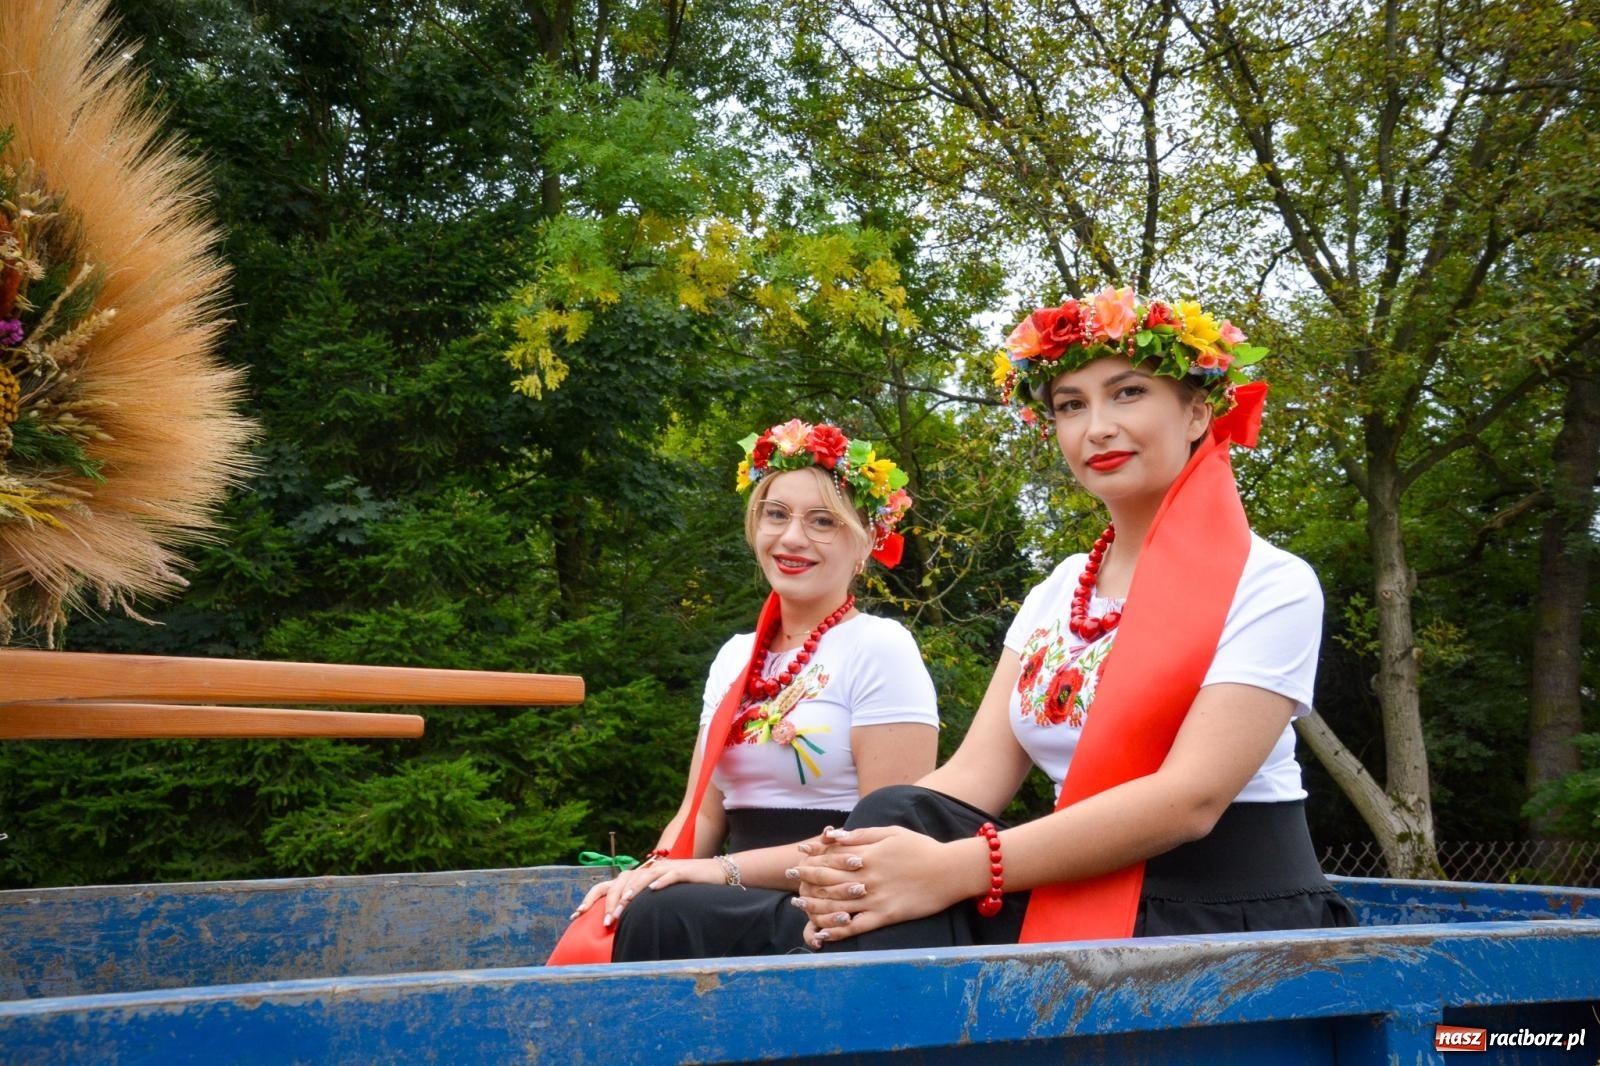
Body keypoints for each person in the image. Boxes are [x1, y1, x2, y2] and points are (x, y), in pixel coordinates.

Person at [791, 287, 1355, 950]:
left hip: (1213, 912)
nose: (1097, 428)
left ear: (1198, 412)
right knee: (895, 815)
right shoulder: (1057, 592)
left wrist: (954, 869)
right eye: (1070, 405)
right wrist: (852, 855)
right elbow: (973, 780)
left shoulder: (1270, 582)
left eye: (1128, 393)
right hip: (1073, 880)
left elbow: (1190, 800)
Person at [564, 418, 940, 962]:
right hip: (733, 894)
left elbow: (880, 836)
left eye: (822, 521)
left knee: (662, 914)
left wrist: (718, 872)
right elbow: (705, 814)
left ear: (864, 542)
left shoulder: (880, 647)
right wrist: (645, 875)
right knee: (621, 911)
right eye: (777, 514)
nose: (792, 538)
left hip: (829, 901)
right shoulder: (735, 656)